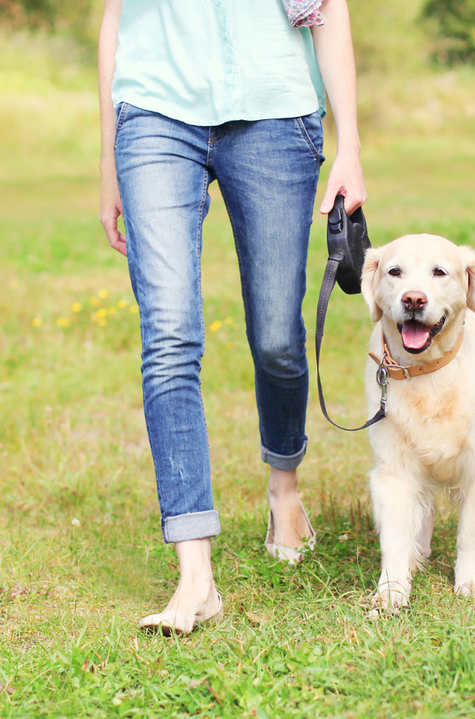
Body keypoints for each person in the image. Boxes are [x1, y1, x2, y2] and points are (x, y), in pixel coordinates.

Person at [97, 0, 366, 634]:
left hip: (275, 112)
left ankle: (284, 487)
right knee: (167, 334)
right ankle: (195, 575)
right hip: (155, 113)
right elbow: (114, 20)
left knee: (277, 338)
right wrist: (108, 159)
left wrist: (350, 144)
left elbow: (327, 10)